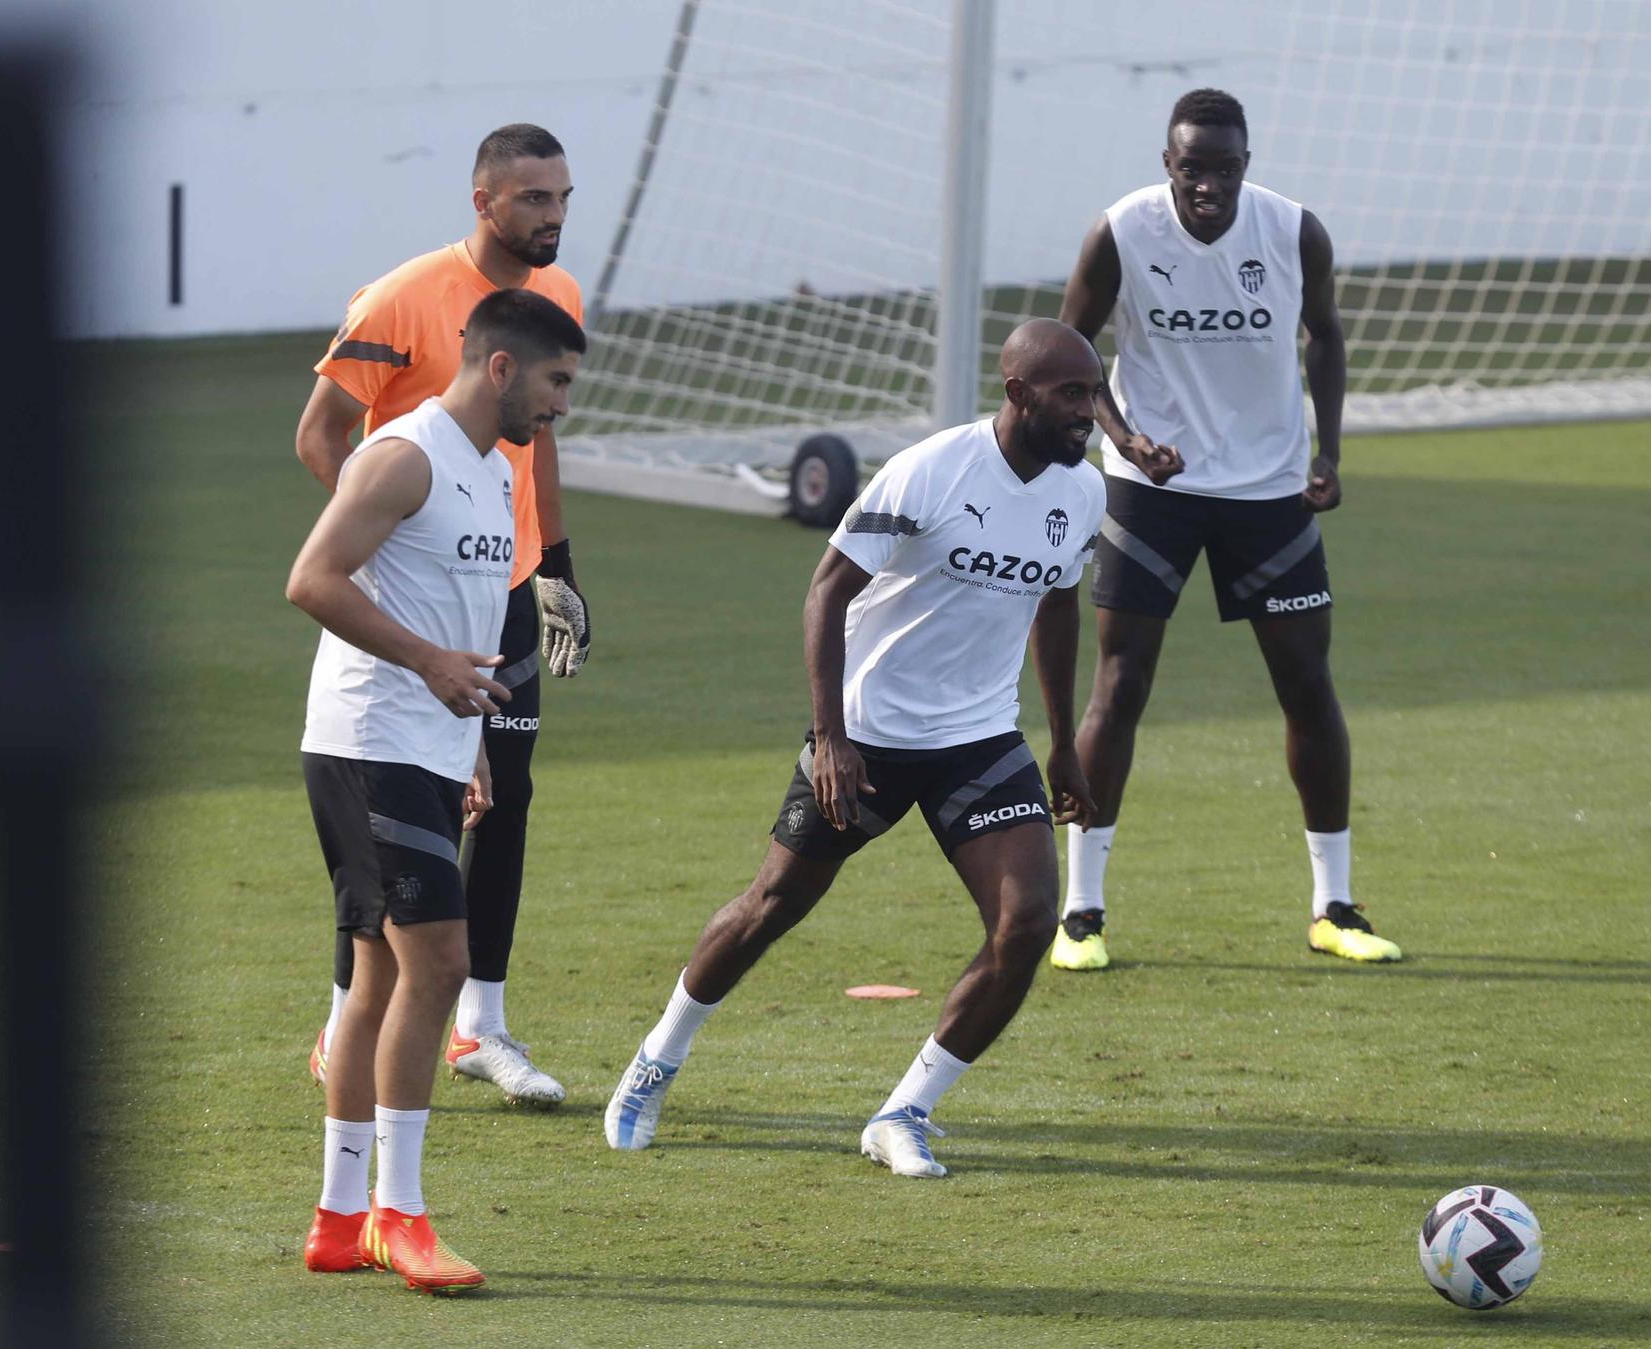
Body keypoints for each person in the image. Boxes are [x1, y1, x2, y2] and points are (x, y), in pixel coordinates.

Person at [602, 319, 1106, 1178]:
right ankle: (655, 1061)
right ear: (1018, 394)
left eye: (1092, 395)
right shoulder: (931, 469)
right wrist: (830, 736)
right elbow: (828, 588)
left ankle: (903, 1112)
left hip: (980, 737)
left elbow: (1058, 604)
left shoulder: (1082, 491)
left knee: (1025, 926)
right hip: (868, 734)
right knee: (772, 904)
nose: (1088, 415)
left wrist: (1061, 742)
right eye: (1070, 396)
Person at [1050, 87, 1401, 972]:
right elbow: (1068, 357)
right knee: (1120, 685)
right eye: (1192, 167)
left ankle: (1335, 904)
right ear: (1167, 164)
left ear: (1248, 163)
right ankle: (1080, 911)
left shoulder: (1292, 233)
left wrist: (1330, 451)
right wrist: (1126, 441)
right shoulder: (1121, 233)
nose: (1209, 184)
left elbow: (1324, 335)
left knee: (1307, 684)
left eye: (1225, 167)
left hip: (1269, 489)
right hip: (1148, 489)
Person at [292, 288, 586, 1293]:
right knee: (439, 966)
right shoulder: (402, 455)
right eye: (555, 382)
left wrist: (471, 744)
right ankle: (399, 1213)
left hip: (424, 748)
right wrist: (426, 666)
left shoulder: (493, 473)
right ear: (500, 366)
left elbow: (461, 611)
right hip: (366, 744)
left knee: (379, 980)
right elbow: (312, 578)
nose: (560, 406)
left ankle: (339, 1219)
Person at [295, 123, 590, 1105]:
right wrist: (387, 552)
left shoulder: (558, 300)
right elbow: (321, 434)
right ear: (484, 202)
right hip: (411, 600)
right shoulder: (401, 297)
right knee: (391, 803)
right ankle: (345, 1017)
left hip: (501, 595)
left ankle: (483, 1028)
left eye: (562, 198)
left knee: (505, 791)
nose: (552, 217)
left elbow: (536, 442)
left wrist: (552, 564)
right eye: (534, 199)